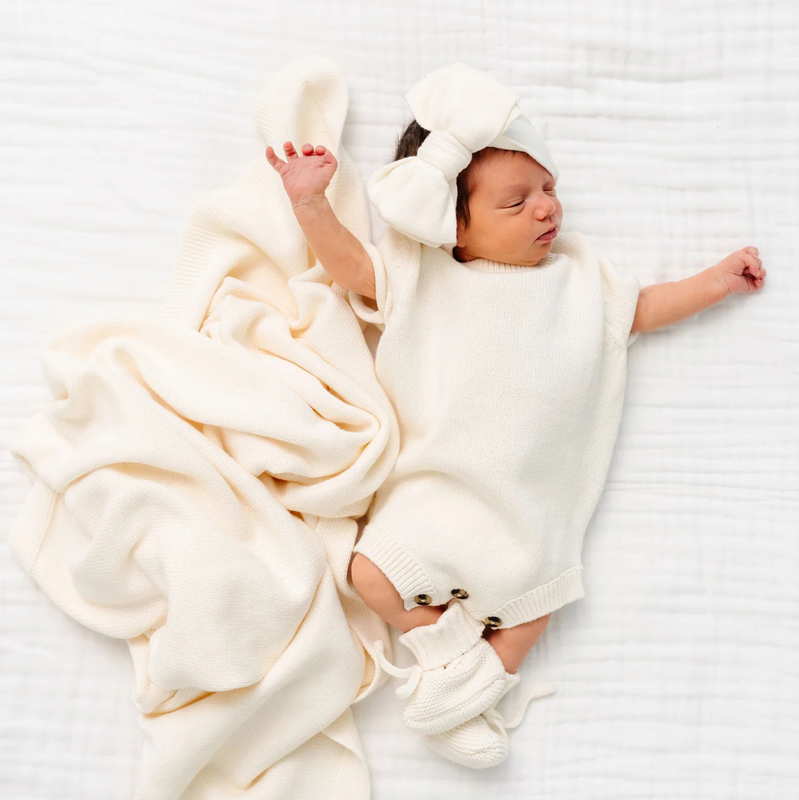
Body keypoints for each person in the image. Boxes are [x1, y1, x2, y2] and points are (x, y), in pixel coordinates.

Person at [266, 63, 766, 769]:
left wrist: (715, 281)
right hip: (437, 488)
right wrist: (311, 207)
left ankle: (478, 687)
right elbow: (351, 269)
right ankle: (454, 668)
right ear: (454, 227)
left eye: (548, 189)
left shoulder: (578, 283)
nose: (546, 210)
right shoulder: (425, 276)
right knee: (370, 576)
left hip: (530, 507)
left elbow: (644, 309)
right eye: (516, 203)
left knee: (534, 605)